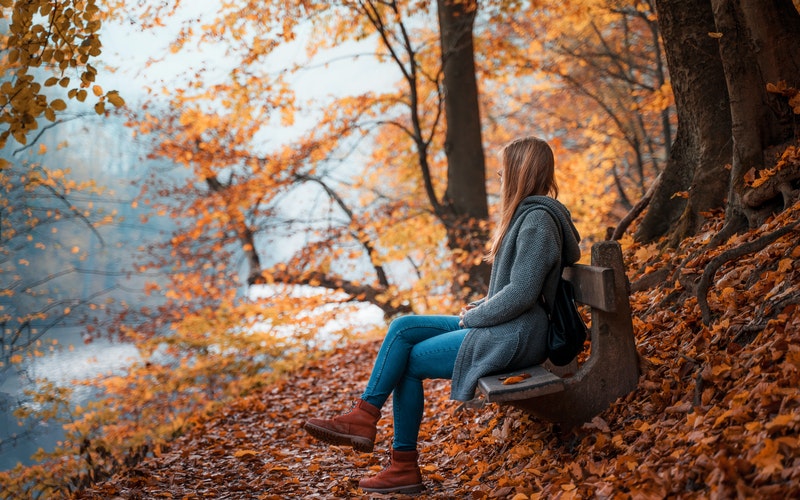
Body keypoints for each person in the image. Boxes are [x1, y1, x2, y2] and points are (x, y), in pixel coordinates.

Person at [303, 136, 582, 494]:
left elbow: (521, 292)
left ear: (519, 172)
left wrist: (473, 319)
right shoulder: (530, 216)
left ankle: (401, 463)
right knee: (403, 327)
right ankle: (365, 416)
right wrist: (480, 308)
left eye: (503, 168)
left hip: (517, 335)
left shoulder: (538, 220)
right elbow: (515, 289)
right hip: (509, 325)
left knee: (409, 361)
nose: (498, 174)